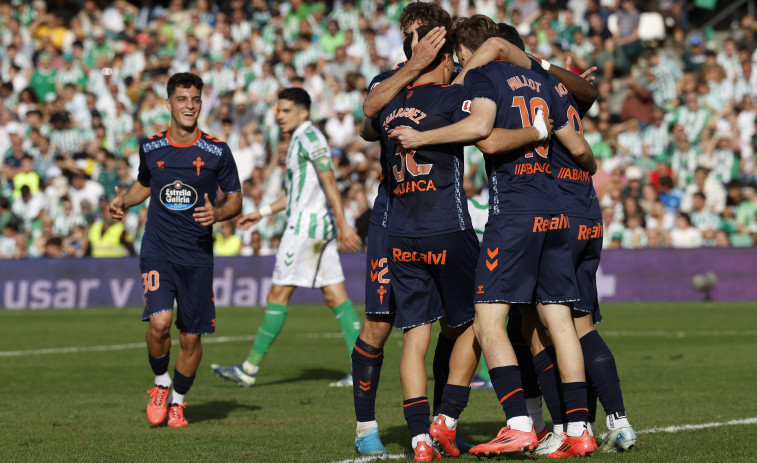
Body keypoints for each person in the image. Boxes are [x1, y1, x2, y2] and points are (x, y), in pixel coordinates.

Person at [391, 14, 596, 458]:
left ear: (466, 51)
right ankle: (579, 428)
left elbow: (483, 135)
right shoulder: (548, 85)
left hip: (515, 212)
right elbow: (580, 149)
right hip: (556, 211)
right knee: (559, 322)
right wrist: (550, 137)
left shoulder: (483, 75)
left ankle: (519, 425)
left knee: (486, 320)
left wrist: (422, 136)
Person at [370, 26, 481, 460]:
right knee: (474, 323)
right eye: (451, 58)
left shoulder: (389, 102)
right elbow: (484, 128)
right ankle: (446, 419)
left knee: (415, 334)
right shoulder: (452, 97)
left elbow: (369, 108)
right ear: (442, 59)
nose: (456, 64)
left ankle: (418, 438)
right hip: (446, 226)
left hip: (400, 231)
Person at [109, 72, 243, 428]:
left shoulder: (217, 151)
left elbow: (235, 200)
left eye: (195, 99)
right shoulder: (151, 147)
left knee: (189, 336)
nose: (189, 106)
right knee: (159, 323)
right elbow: (145, 185)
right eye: (182, 99)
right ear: (168, 104)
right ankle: (160, 383)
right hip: (158, 248)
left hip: (197, 254)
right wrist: (124, 201)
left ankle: (178, 403)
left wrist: (218, 213)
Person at [210, 88, 362, 389]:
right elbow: (295, 193)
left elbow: (329, 178)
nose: (279, 115)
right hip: (317, 227)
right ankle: (363, 369)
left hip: (306, 229)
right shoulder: (299, 140)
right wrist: (263, 212)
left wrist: (345, 223)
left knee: (277, 295)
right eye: (278, 110)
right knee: (336, 297)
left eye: (286, 110)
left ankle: (249, 369)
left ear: (303, 112)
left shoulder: (310, 137)